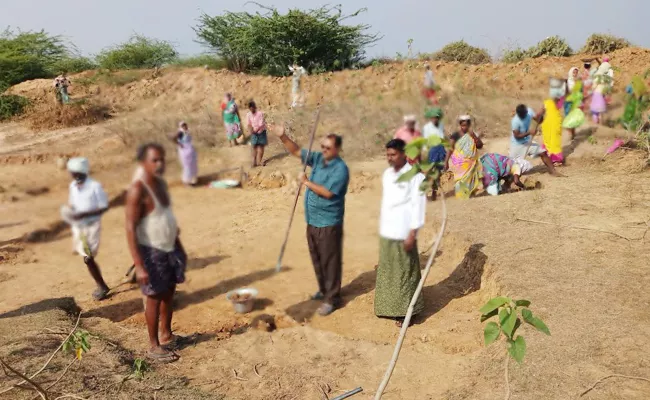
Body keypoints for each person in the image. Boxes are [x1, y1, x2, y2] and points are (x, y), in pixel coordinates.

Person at [273, 125, 349, 316]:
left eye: (328, 148)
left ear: (337, 149)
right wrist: (283, 136)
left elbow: (328, 193)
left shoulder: (340, 169)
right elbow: (297, 151)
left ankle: (332, 298)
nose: (323, 150)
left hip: (329, 223)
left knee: (330, 261)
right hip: (312, 221)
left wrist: (306, 182)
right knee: (317, 259)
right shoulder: (318, 159)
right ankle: (324, 290)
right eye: (322, 146)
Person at [125, 143, 188, 363]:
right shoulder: (138, 191)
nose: (159, 164)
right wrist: (139, 265)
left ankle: (167, 334)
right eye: (154, 160)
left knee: (169, 293)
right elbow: (130, 228)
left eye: (162, 159)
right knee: (153, 297)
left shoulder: (160, 185)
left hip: (169, 248)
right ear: (143, 163)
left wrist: (178, 246)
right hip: (151, 252)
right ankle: (153, 345)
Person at [375, 139, 426, 327]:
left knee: (405, 271)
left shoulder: (416, 177)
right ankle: (388, 307)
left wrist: (412, 234)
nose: (389, 158)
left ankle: (407, 311)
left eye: (393, 155)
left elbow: (418, 208)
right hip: (388, 229)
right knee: (389, 269)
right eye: (387, 155)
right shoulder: (388, 174)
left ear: (404, 154)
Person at [63, 157, 111, 300]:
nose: (72, 174)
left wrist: (85, 214)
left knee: (88, 258)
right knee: (86, 256)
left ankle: (102, 287)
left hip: (92, 225)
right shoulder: (73, 186)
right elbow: (73, 203)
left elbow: (103, 207)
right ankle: (101, 285)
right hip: (79, 226)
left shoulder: (94, 187)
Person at [509, 104, 560, 175]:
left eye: (524, 115)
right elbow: (517, 136)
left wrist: (541, 114)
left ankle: (553, 171)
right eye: (521, 116)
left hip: (527, 141)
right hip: (517, 145)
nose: (524, 117)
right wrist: (529, 133)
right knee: (513, 165)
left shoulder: (529, 112)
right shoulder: (515, 121)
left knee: (543, 153)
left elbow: (538, 120)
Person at [447, 115, 483, 199]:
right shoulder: (455, 135)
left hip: (471, 164)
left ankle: (470, 195)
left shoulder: (472, 134)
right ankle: (461, 197)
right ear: (460, 125)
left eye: (466, 125)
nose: (464, 127)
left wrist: (473, 136)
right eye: (462, 125)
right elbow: (450, 149)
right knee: (460, 181)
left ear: (469, 125)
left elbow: (480, 145)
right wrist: (446, 162)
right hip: (460, 164)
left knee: (471, 180)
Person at [538, 83, 566, 166]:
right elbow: (541, 113)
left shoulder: (559, 101)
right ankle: (549, 159)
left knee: (555, 141)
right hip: (547, 124)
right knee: (547, 141)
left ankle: (556, 159)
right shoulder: (546, 102)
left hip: (555, 124)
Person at [422, 107, 446, 200]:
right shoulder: (426, 127)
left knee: (438, 172)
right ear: (430, 118)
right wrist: (425, 152)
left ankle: (434, 193)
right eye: (433, 117)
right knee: (429, 171)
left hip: (441, 149)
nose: (435, 119)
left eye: (436, 117)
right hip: (431, 150)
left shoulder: (441, 125)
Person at [171, 121, 198, 186]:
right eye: (183, 125)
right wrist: (179, 144)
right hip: (184, 152)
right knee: (187, 166)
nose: (185, 126)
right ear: (181, 126)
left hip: (190, 151)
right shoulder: (180, 132)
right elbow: (173, 138)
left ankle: (191, 181)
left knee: (192, 165)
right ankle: (186, 182)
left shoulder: (187, 132)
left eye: (185, 125)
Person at [246, 101, 268, 167]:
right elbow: (248, 124)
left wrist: (255, 131)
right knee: (254, 147)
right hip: (253, 132)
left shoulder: (260, 113)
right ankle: (254, 162)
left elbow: (261, 124)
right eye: (250, 109)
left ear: (255, 107)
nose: (251, 110)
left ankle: (259, 162)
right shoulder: (248, 114)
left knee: (261, 147)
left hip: (261, 131)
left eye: (252, 108)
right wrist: (250, 130)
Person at [590, 60, 612, 124]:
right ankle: (601, 126)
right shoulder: (607, 76)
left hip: (596, 94)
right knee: (600, 112)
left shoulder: (598, 74)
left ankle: (595, 126)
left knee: (595, 112)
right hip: (602, 94)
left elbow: (594, 85)